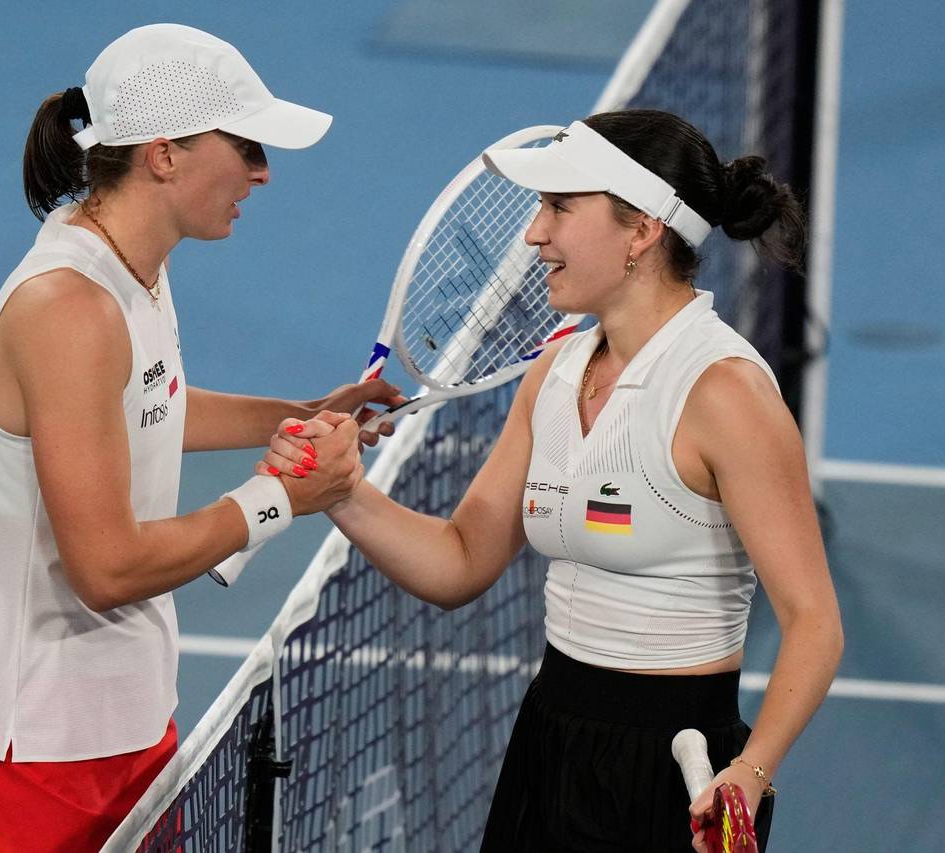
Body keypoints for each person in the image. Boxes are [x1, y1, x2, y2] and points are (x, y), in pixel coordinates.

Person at [260, 110, 844, 851]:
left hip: (678, 768)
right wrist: (344, 491)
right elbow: (460, 561)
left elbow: (814, 622)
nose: (534, 234)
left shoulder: (723, 393)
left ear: (642, 231)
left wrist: (750, 774)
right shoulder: (554, 372)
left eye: (559, 207)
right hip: (548, 742)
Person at [0, 23, 399, 852]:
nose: (263, 170)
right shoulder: (69, 309)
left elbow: (147, 406)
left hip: (121, 738)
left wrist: (297, 411)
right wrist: (277, 499)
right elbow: (107, 567)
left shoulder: (135, 269)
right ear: (163, 155)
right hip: (17, 760)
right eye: (246, 146)